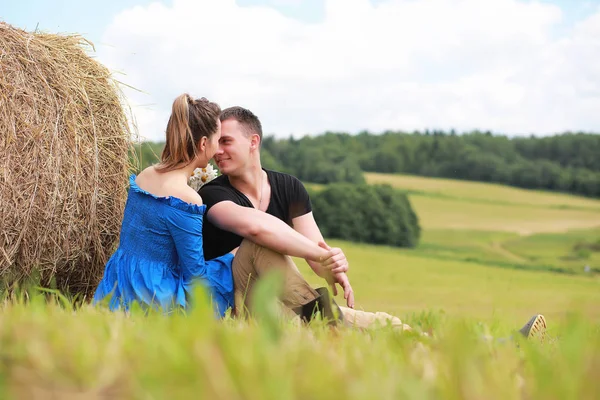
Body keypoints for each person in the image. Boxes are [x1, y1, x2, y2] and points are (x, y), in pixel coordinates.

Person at [199, 106, 548, 337]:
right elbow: (257, 228)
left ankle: (494, 348)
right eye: (217, 144)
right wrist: (321, 256)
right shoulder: (213, 194)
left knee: (384, 326)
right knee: (260, 243)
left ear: (253, 142)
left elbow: (315, 254)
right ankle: (328, 322)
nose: (219, 152)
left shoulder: (289, 186)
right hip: (241, 307)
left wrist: (332, 266)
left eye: (227, 141)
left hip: (292, 304)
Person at [93, 94, 237, 316]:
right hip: (154, 295)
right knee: (230, 265)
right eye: (218, 140)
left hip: (120, 283)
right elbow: (194, 274)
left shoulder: (145, 176)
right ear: (203, 144)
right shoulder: (187, 198)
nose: (218, 149)